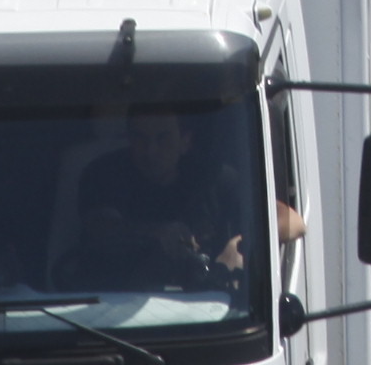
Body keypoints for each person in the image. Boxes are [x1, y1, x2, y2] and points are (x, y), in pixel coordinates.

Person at [73, 109, 265, 292]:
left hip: (210, 307)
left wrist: (242, 245)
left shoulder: (214, 179)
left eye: (163, 138)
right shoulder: (105, 174)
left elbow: (288, 220)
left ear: (185, 141)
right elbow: (100, 227)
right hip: (113, 301)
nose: (151, 150)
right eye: (140, 138)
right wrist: (156, 233)